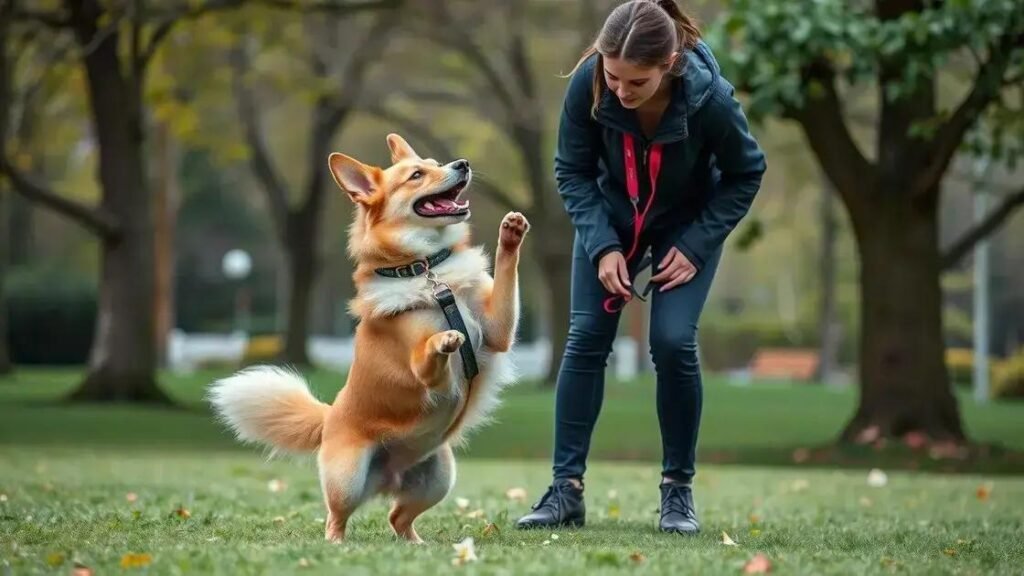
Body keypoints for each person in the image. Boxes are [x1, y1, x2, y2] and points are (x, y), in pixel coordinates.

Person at [515, 0, 766, 534]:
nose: (622, 93)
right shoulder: (588, 83)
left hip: (685, 227)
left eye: (637, 82)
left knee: (673, 342)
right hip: (610, 220)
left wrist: (697, 245)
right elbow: (572, 169)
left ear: (670, 62)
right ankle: (565, 491)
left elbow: (747, 172)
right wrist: (602, 244)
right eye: (614, 77)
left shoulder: (711, 101)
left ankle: (677, 493)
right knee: (586, 338)